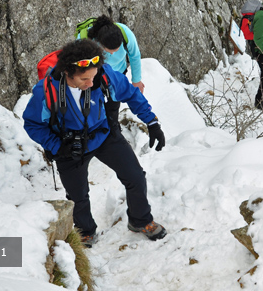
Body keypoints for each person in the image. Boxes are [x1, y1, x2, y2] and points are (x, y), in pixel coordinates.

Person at [23, 39, 167, 247]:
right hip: (68, 146)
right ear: (67, 73)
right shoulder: (46, 91)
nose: (91, 83)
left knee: (135, 176)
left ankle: (140, 220)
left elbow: (131, 93)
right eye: (84, 79)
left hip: (103, 135)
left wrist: (151, 122)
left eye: (93, 76)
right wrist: (57, 146)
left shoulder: (103, 76)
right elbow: (33, 124)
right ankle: (86, 231)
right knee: (77, 196)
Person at [79, 16, 144, 93]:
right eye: (109, 51)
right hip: (94, 75)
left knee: (114, 103)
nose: (113, 53)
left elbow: (134, 56)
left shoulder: (126, 34)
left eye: (117, 49)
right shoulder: (84, 41)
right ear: (100, 43)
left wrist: (136, 81)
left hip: (118, 72)